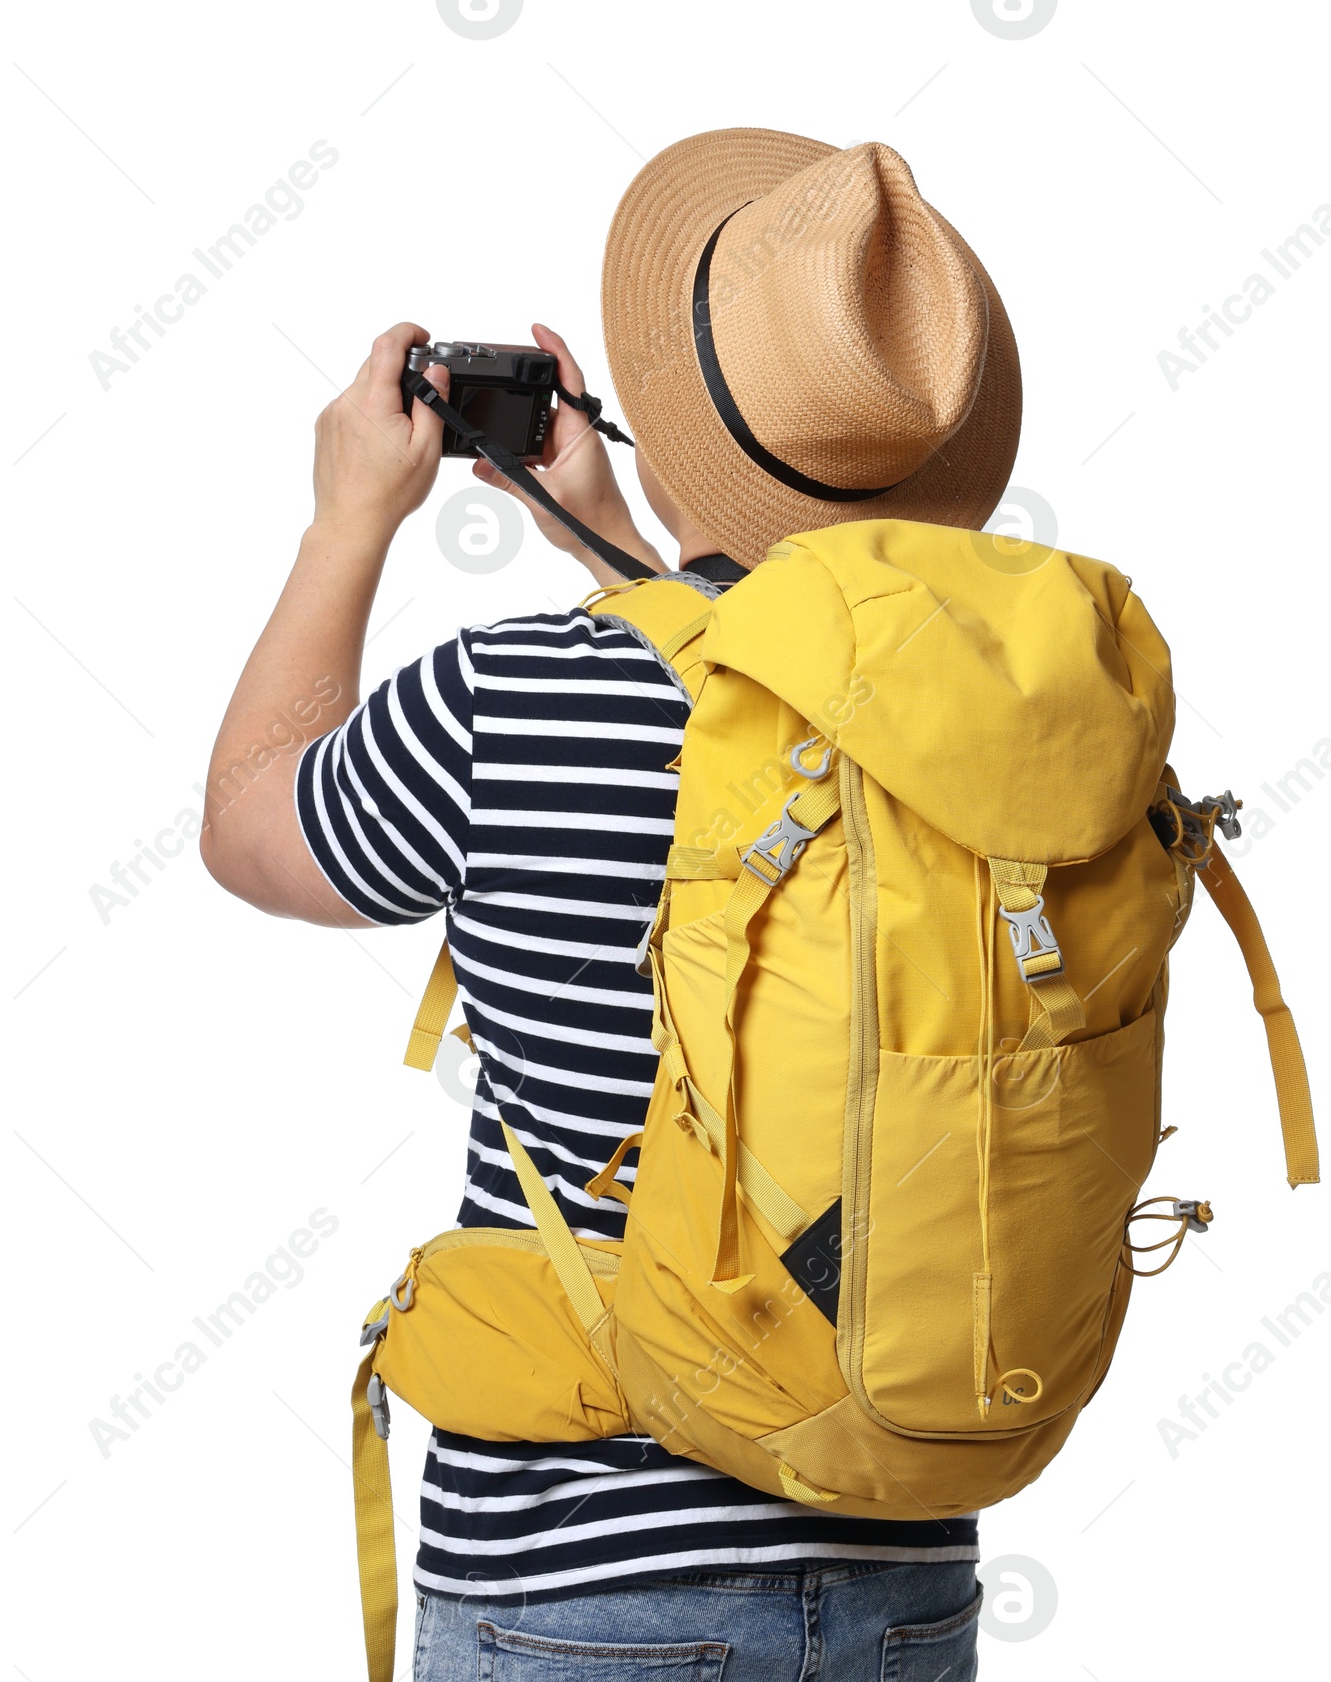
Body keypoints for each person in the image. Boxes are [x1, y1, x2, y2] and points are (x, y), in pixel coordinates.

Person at [202, 127, 1020, 1681]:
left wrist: (348, 519)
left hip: (581, 1598)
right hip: (907, 1581)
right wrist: (617, 551)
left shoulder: (516, 702)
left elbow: (255, 826)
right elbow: (749, 698)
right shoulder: (1002, 730)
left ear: (685, 425)